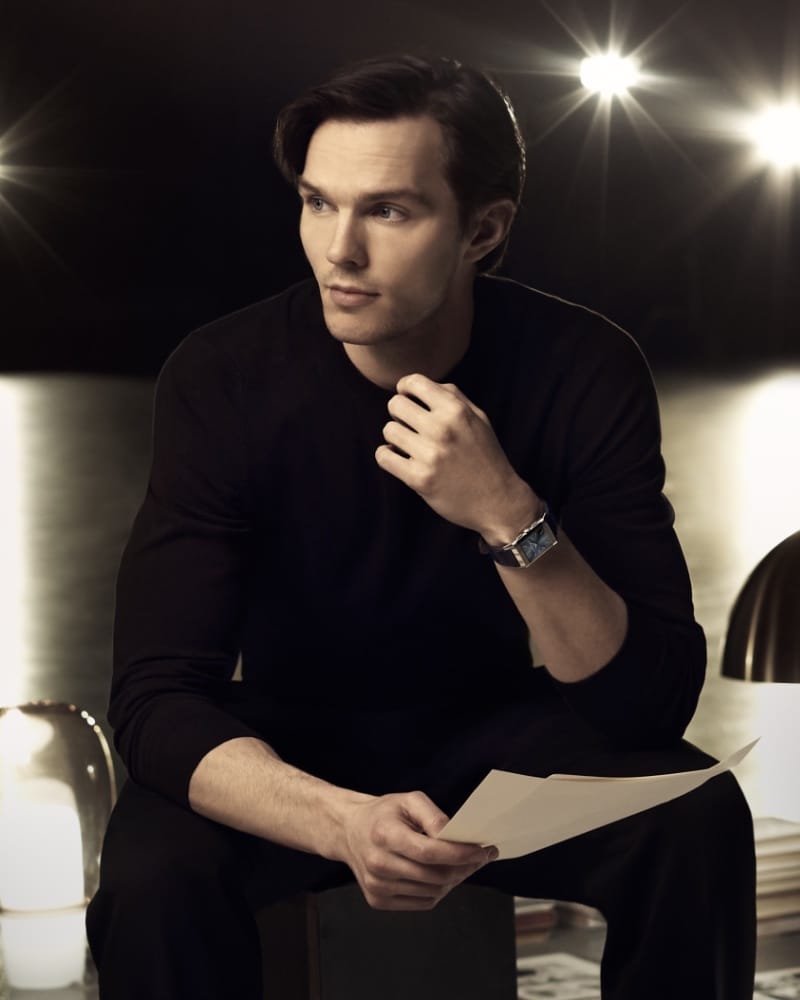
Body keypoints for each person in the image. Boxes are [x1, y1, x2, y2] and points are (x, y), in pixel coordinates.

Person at [86, 53, 756, 998]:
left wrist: (508, 512)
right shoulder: (222, 376)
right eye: (318, 203)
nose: (339, 251)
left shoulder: (584, 366)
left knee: (698, 818)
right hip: (289, 741)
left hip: (496, 736)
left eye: (389, 212)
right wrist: (340, 822)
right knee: (153, 876)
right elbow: (156, 699)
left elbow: (649, 704)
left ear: (483, 229)